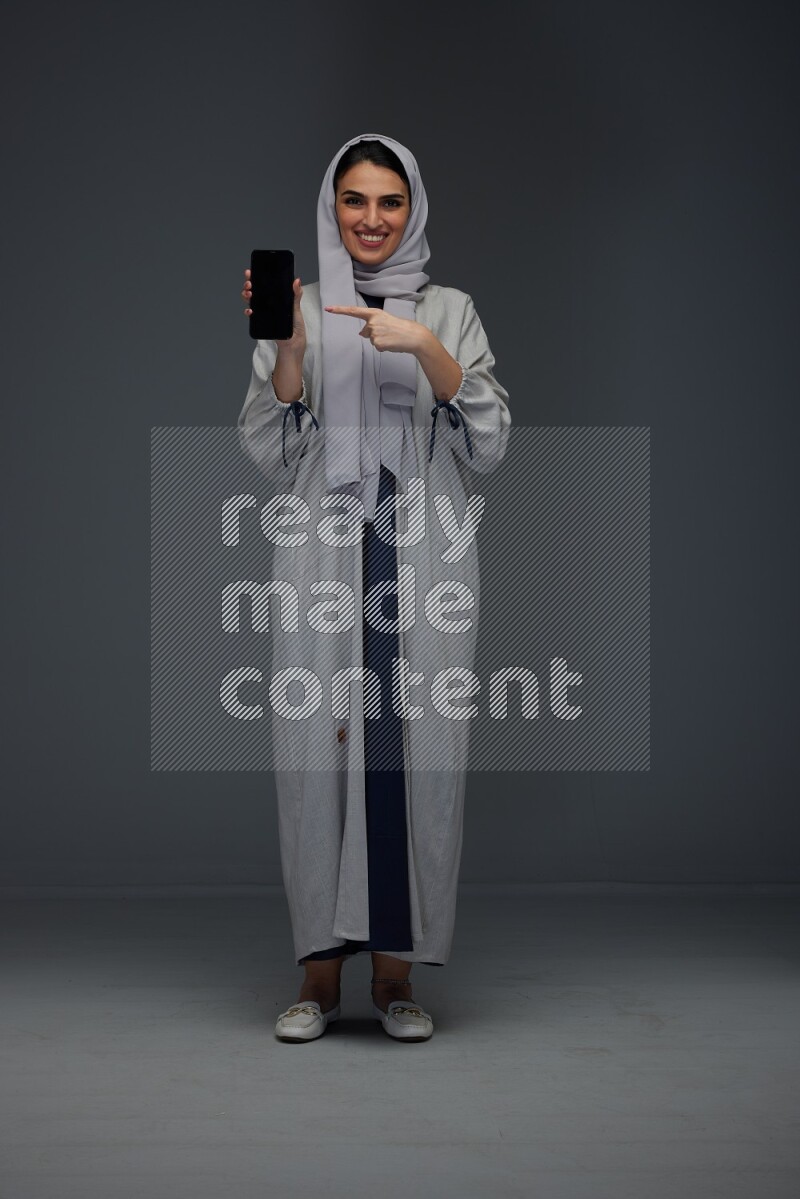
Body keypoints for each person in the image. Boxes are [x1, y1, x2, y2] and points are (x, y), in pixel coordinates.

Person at [237, 133, 511, 1043]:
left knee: (415, 752)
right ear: (333, 207)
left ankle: (396, 973)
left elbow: (488, 446)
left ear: (413, 209)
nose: (371, 218)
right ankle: (317, 975)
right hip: (323, 552)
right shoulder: (305, 308)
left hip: (423, 556)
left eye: (390, 201)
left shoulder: (450, 310)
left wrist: (424, 345)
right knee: (315, 751)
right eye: (354, 199)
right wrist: (288, 347)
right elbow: (274, 451)